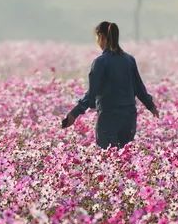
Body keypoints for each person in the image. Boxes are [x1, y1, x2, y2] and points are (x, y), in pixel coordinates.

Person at [62, 21, 159, 149]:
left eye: (97, 38)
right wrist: (150, 106)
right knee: (125, 158)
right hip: (129, 118)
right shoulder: (129, 60)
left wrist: (74, 114)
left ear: (101, 36)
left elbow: (92, 94)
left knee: (108, 157)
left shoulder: (100, 62)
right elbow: (139, 88)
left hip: (108, 118)